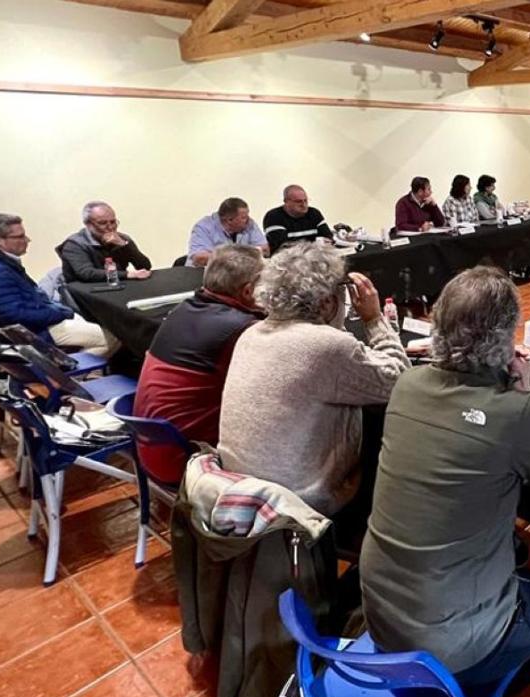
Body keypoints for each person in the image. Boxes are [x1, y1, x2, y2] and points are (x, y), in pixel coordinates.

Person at [359, 266, 530, 697]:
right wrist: (525, 391)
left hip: (383, 617)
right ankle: (475, 695)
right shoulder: (516, 412)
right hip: (450, 650)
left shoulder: (407, 384)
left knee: (511, 550)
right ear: (503, 338)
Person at [218, 243, 410, 548]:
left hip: (240, 490)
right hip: (301, 502)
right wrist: (375, 320)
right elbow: (400, 379)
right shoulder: (327, 348)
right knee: (394, 446)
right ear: (325, 302)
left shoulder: (250, 333)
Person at [133, 245, 266, 486]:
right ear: (248, 291)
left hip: (151, 449)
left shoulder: (181, 309)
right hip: (190, 462)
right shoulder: (242, 329)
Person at [0, 213, 115, 357]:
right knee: (111, 338)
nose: (27, 240)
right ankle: (62, 376)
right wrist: (60, 313)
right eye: (20, 237)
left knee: (84, 319)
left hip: (37, 321)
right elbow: (13, 315)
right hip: (31, 331)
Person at [57, 201, 152, 283]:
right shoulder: (75, 244)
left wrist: (124, 245)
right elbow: (86, 273)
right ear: (88, 224)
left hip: (117, 285)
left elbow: (145, 266)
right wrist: (128, 274)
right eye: (102, 223)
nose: (110, 227)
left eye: (113, 222)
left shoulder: (122, 238)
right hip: (84, 291)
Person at [188, 198, 269, 267]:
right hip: (204, 275)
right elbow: (200, 258)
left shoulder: (249, 224)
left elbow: (265, 250)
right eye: (243, 217)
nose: (248, 219)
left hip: (236, 275)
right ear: (229, 220)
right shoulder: (204, 227)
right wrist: (240, 256)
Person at [263, 185, 333, 253]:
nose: (304, 205)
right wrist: (315, 244)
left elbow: (328, 237)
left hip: (314, 257)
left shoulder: (314, 213)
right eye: (298, 201)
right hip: (285, 260)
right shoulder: (273, 217)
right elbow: (283, 247)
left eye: (306, 200)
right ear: (286, 201)